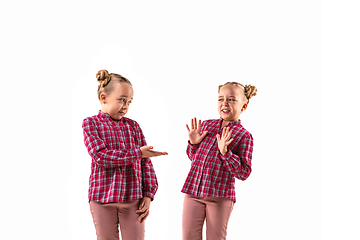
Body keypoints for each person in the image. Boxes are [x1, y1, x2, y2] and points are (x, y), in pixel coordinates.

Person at [82, 69, 168, 240]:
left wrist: (149, 195)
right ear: (104, 98)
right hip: (102, 199)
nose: (126, 106)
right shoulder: (90, 123)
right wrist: (137, 154)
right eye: (122, 100)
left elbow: (146, 163)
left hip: (133, 198)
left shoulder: (133, 126)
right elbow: (101, 157)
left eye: (129, 102)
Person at [182, 82, 257, 240]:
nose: (225, 103)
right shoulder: (207, 125)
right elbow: (192, 157)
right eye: (221, 99)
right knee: (188, 236)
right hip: (193, 191)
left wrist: (226, 152)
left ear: (243, 107)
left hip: (220, 196)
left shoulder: (244, 135)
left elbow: (244, 173)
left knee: (216, 237)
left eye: (231, 99)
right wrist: (193, 144)